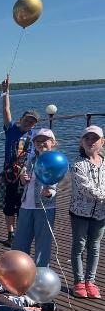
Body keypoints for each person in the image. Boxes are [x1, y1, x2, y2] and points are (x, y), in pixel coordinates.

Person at [0, 76, 39, 246]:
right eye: (27, 119)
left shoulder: (34, 135)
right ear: (21, 118)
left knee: (23, 204)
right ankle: (11, 233)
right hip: (10, 173)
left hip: (26, 174)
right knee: (9, 205)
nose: (29, 122)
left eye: (32, 121)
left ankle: (22, 232)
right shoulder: (11, 129)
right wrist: (6, 91)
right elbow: (6, 109)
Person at [11, 128, 59, 268]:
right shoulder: (31, 159)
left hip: (45, 207)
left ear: (53, 142)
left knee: (43, 245)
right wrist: (23, 179)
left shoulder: (56, 160)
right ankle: (19, 270)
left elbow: (55, 182)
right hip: (26, 205)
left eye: (44, 140)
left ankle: (41, 273)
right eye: (37, 141)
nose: (40, 143)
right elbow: (25, 180)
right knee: (20, 242)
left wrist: (50, 192)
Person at [70, 125, 105, 298]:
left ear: (102, 142)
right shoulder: (78, 165)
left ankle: (90, 282)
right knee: (79, 246)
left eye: (95, 138)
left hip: (101, 213)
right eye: (87, 138)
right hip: (80, 213)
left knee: (95, 247)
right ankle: (79, 282)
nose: (91, 141)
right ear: (82, 142)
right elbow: (86, 189)